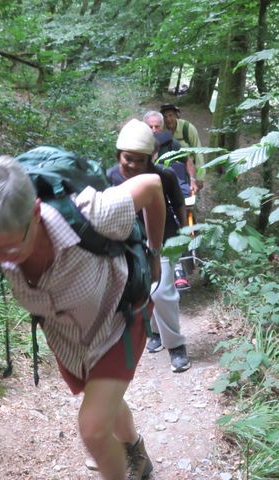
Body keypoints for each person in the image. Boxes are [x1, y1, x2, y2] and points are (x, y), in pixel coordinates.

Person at [0, 150, 166, 479]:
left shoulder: (93, 215)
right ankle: (134, 449)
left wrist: (154, 252)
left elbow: (152, 185)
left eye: (9, 248)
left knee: (93, 429)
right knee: (103, 403)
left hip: (118, 319)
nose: (1, 261)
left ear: (36, 213)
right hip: (69, 340)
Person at [106, 119, 191, 373]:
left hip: (164, 239)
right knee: (141, 289)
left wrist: (184, 235)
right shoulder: (110, 176)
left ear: (149, 159)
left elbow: (178, 204)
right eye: (127, 158)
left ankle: (176, 346)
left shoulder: (163, 176)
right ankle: (153, 332)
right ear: (119, 155)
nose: (131, 165)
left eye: (139, 160)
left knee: (162, 292)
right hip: (128, 242)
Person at [143, 111, 192, 292]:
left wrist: (193, 180)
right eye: (151, 127)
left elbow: (187, 162)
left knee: (170, 222)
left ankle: (178, 268)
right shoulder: (137, 147)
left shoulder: (172, 144)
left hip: (169, 192)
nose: (155, 130)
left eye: (157, 126)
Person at [159, 103, 205, 195]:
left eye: (170, 115)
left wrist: (200, 177)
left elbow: (198, 152)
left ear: (176, 115)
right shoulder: (160, 129)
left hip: (188, 169)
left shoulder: (187, 129)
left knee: (191, 196)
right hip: (167, 169)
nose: (168, 119)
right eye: (165, 116)